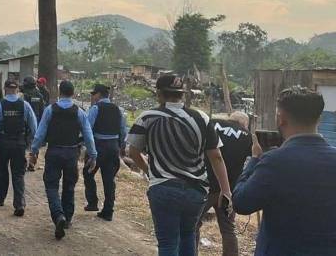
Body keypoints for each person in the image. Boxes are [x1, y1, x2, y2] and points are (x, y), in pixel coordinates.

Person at [127, 74, 231, 256]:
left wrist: (149, 170)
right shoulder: (202, 118)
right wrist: (226, 190)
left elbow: (133, 152)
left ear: (159, 93)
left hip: (163, 188)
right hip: (196, 191)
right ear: (182, 94)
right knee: (188, 236)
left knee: (167, 243)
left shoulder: (148, 117)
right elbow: (216, 157)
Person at [233, 87, 336, 256]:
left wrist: (254, 160)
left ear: (280, 119)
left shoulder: (274, 162)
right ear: (320, 118)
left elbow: (241, 203)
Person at [29, 80, 98, 240]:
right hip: (71, 153)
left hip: (53, 151)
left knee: (51, 186)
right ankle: (67, 218)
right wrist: (93, 155)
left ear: (60, 92)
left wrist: (34, 151)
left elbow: (40, 133)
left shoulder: (50, 110)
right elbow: (88, 135)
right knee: (69, 186)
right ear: (73, 94)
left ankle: (58, 215)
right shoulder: (79, 112)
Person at [196, 111, 252, 256]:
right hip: (227, 190)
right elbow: (256, 159)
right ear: (244, 124)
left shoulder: (212, 124)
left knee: (193, 224)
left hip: (205, 185)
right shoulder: (248, 136)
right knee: (228, 228)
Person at [0, 79, 37, 216]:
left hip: (2, 143)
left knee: (2, 171)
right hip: (19, 143)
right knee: (18, 174)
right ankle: (19, 204)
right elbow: (34, 127)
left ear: (4, 89)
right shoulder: (25, 105)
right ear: (17, 90)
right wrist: (35, 146)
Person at [83, 83, 127, 221]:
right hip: (113, 147)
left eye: (94, 94)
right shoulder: (118, 109)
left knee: (88, 173)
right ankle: (108, 210)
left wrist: (87, 148)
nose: (93, 96)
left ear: (99, 95)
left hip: (98, 146)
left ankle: (92, 202)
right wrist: (120, 146)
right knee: (109, 180)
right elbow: (123, 130)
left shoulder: (95, 108)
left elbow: (87, 128)